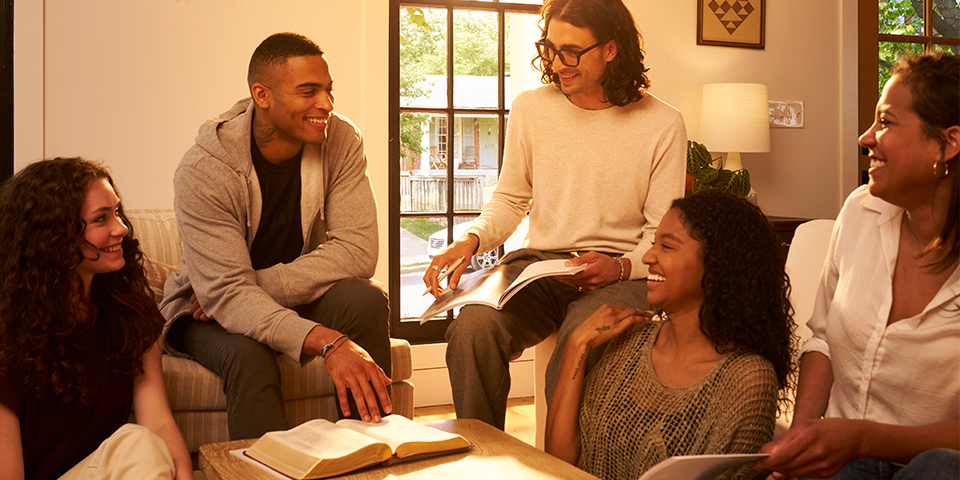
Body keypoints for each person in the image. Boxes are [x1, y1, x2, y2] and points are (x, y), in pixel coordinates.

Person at [423, 0, 687, 430]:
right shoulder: (532, 107)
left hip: (620, 273)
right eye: (549, 47)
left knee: (576, 346)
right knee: (472, 328)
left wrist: (619, 268)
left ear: (610, 49)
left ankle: (562, 469)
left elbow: (660, 235)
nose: (557, 63)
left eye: (572, 51)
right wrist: (470, 241)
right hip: (541, 268)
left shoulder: (662, 123)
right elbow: (510, 198)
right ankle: (482, 457)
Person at [161, 32, 392, 441]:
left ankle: (372, 450)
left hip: (228, 296)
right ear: (262, 95)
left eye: (328, 89)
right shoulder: (204, 169)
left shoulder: (341, 140)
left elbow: (358, 251)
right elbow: (226, 298)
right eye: (309, 92)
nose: (326, 104)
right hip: (202, 313)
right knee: (249, 355)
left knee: (364, 297)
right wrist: (329, 342)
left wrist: (250, 286)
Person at [757, 52, 960, 480]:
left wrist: (864, 438)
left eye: (885, 122)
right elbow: (825, 340)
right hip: (846, 462)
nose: (864, 137)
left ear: (948, 143)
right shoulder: (861, 210)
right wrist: (801, 441)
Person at [545, 190, 795, 480]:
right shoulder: (630, 342)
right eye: (654, 244)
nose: (649, 257)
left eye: (666, 246)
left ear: (717, 264)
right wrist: (578, 344)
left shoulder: (747, 379)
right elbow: (561, 461)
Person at [0, 158, 193, 480]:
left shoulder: (129, 312)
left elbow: (157, 421)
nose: (122, 228)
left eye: (116, 212)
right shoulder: (8, 335)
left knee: (139, 442)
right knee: (137, 444)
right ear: (54, 235)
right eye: (101, 219)